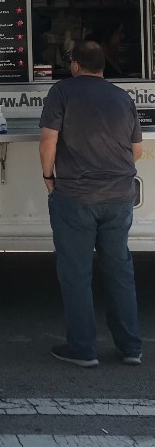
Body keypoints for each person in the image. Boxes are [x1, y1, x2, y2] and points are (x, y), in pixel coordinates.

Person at [39, 39, 143, 368]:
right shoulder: (122, 97)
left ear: (74, 64)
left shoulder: (62, 92)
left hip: (76, 196)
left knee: (76, 273)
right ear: (102, 66)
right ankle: (131, 348)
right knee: (120, 270)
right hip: (119, 197)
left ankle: (83, 349)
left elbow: (48, 141)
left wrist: (48, 177)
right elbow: (136, 151)